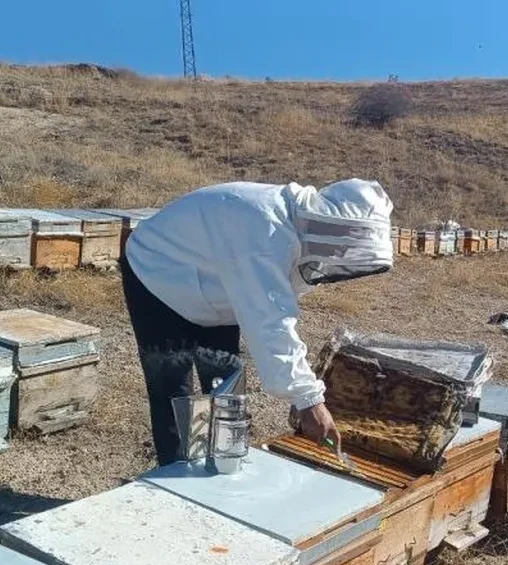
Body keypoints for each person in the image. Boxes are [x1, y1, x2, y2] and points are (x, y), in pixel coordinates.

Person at [121, 178, 394, 465]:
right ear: (333, 225)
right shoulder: (266, 229)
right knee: (174, 390)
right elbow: (271, 323)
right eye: (347, 244)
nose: (341, 255)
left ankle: (225, 464)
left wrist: (307, 399)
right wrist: (309, 401)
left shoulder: (289, 232)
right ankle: (178, 476)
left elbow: (269, 309)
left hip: (216, 281)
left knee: (225, 383)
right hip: (156, 275)